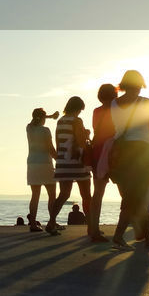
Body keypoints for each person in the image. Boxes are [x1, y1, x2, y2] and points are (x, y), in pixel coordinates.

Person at [107, 70, 149, 249]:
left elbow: (116, 128)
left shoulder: (114, 103)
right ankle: (118, 236)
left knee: (134, 196)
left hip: (121, 152)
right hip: (141, 151)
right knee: (134, 198)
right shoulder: (145, 102)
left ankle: (147, 238)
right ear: (139, 83)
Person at [47, 96, 93, 236]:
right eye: (80, 110)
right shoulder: (77, 121)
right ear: (78, 109)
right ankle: (91, 227)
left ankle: (51, 222)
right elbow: (80, 142)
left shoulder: (60, 121)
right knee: (86, 195)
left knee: (64, 194)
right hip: (77, 161)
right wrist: (87, 136)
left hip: (63, 161)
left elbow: (58, 141)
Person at [85, 83, 118, 243]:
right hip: (114, 152)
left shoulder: (96, 111)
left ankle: (94, 228)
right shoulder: (117, 109)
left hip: (98, 152)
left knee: (97, 193)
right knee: (126, 192)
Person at [25, 107, 58, 233]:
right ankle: (52, 222)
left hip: (32, 163)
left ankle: (33, 224)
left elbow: (34, 121)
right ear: (42, 118)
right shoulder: (45, 131)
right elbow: (50, 148)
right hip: (45, 163)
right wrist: (59, 159)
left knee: (35, 196)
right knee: (52, 195)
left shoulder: (29, 128)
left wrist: (48, 116)